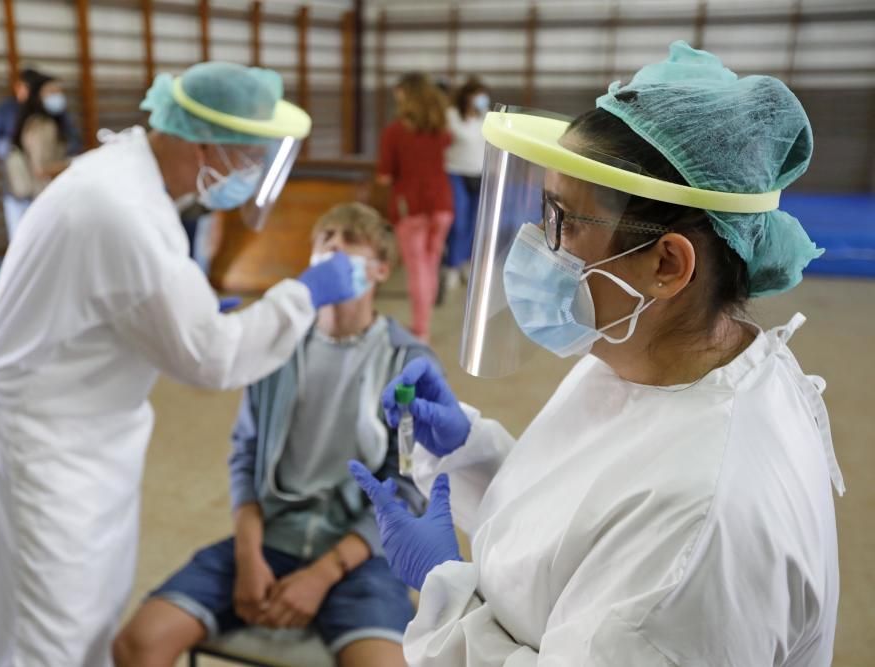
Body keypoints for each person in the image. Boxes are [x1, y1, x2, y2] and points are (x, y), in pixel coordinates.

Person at [351, 42, 844, 666]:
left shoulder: (700, 522)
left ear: (667, 264)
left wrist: (444, 587)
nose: (537, 243)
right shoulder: (639, 357)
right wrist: (469, 455)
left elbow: (640, 534)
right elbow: (586, 519)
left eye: (564, 220)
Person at [0, 61, 359, 667]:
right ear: (200, 142)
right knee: (47, 634)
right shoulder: (125, 210)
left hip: (80, 435)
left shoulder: (129, 176)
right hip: (46, 445)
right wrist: (303, 295)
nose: (250, 173)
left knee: (85, 612)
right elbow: (213, 359)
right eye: (246, 157)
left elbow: (121, 303)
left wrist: (184, 308)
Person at [114, 202, 434, 667]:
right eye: (326, 241)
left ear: (381, 269)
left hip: (359, 558)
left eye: (350, 240)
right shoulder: (277, 343)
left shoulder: (407, 363)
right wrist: (247, 554)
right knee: (136, 644)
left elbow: (406, 487)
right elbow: (245, 453)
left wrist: (322, 574)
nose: (335, 249)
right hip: (269, 541)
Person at [376, 72, 453, 341]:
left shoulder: (395, 131)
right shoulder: (441, 129)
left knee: (417, 268)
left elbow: (385, 175)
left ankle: (421, 329)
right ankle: (424, 323)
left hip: (411, 207)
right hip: (442, 204)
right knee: (430, 266)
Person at [0, 68, 81, 239]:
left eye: (59, 91)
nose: (57, 96)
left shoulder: (55, 120)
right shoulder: (40, 125)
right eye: (51, 91)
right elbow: (41, 169)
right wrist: (79, 163)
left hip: (41, 195)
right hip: (37, 196)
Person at [440, 77, 489, 300]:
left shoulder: (486, 116)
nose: (480, 99)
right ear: (466, 97)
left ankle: (467, 262)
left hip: (480, 173)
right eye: (475, 95)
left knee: (474, 221)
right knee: (458, 221)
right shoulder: (451, 117)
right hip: (456, 172)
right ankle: (452, 265)